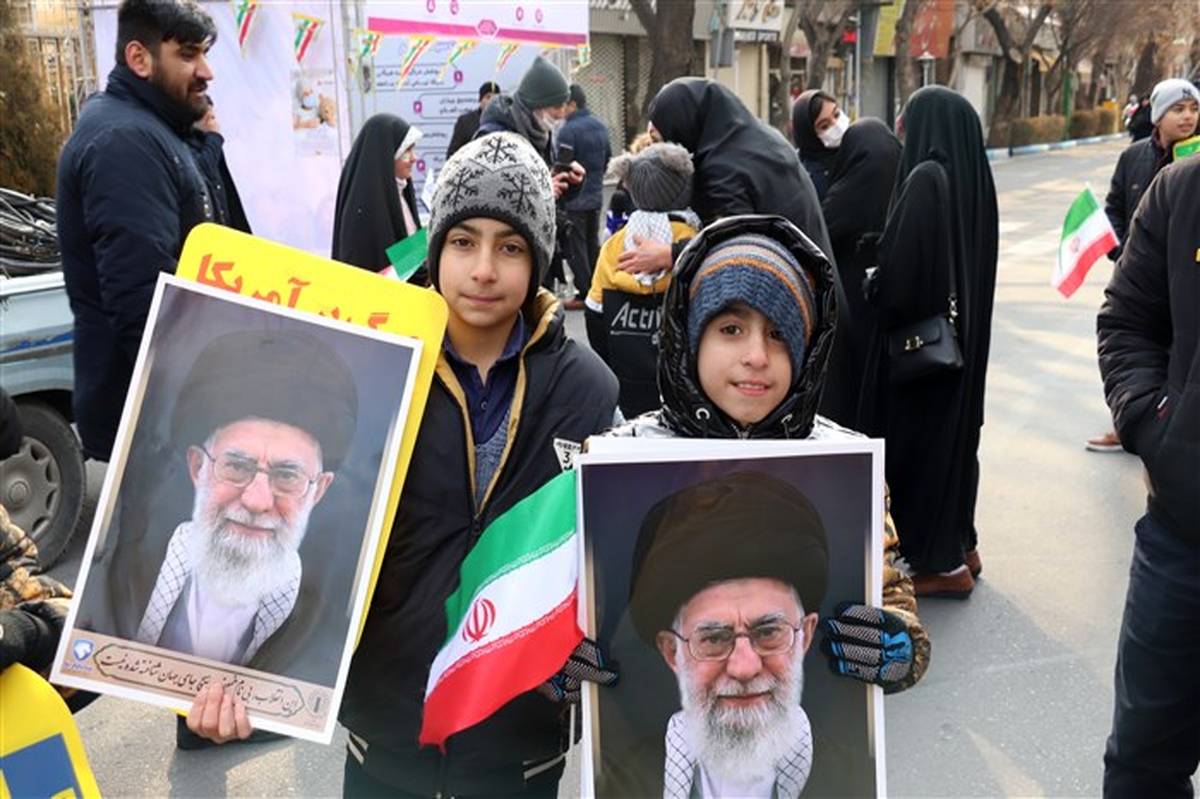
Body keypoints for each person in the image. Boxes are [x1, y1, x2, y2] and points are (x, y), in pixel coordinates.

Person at [188, 133, 621, 794]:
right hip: (387, 738)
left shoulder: (588, 391)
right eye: (463, 241)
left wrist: (580, 674)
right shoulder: (376, 369)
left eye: (510, 247)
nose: (483, 269)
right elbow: (313, 540)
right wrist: (242, 678)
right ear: (436, 246)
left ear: (539, 255)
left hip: (520, 748)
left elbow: (609, 564)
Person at [609, 214, 928, 690]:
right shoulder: (623, 458)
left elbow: (890, 591)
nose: (757, 356)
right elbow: (579, 609)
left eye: (779, 334)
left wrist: (900, 648)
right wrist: (562, 673)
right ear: (690, 338)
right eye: (731, 329)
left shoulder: (845, 465)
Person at [619, 77, 858, 428]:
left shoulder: (723, 167)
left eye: (661, 137)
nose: (660, 148)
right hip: (817, 293)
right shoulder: (757, 140)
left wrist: (670, 253)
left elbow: (733, 244)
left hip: (788, 308)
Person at [127, 330, 353, 667]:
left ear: (317, 490)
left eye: (287, 476)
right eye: (236, 466)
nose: (257, 502)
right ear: (198, 467)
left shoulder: (328, 624)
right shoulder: (127, 575)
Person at [56, 0, 219, 462]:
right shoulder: (125, 141)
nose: (206, 72)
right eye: (187, 54)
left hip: (164, 413)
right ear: (139, 58)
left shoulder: (149, 130)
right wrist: (212, 399)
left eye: (204, 54)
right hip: (157, 421)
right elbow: (144, 301)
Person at [859, 86, 998, 599]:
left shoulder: (924, 178)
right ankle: (962, 545)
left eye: (908, 118)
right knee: (955, 447)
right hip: (960, 349)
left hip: (921, 358)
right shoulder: (974, 180)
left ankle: (942, 565)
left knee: (920, 454)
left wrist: (874, 281)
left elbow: (904, 283)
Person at [1097, 155, 1200, 798]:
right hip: (1182, 541)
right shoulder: (1182, 191)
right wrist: (1154, 424)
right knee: (1142, 764)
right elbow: (1128, 321)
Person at [628, 473, 828, 799]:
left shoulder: (854, 770)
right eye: (713, 639)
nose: (744, 668)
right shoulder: (620, 780)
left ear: (805, 636)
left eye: (768, 632)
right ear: (671, 651)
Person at [1090, 78, 1199, 452]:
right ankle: (1127, 424)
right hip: (1141, 273)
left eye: (1194, 109)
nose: (1187, 117)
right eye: (1178, 109)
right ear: (1157, 116)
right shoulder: (1133, 157)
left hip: (1184, 277)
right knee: (1139, 348)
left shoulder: (1193, 160)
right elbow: (1114, 207)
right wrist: (1123, 251)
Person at [585, 142, 699, 416]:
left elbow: (594, 311)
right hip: (683, 381)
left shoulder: (616, 244)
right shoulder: (692, 242)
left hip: (628, 378)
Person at [476, 56, 586, 293]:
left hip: (539, 247)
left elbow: (544, 182)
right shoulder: (495, 137)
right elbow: (486, 195)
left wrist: (568, 180)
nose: (561, 114)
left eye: (564, 106)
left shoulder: (541, 133)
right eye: (556, 107)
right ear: (536, 105)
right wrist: (541, 190)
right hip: (506, 254)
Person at [820, 118, 901, 429]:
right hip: (887, 300)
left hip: (850, 300)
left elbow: (820, 232)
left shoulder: (848, 190)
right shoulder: (906, 183)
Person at [332, 113, 423, 272]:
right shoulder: (365, 207)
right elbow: (379, 266)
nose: (414, 158)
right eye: (406, 151)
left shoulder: (400, 190)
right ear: (387, 154)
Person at [557, 83, 612, 309]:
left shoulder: (568, 130)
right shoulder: (600, 126)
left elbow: (563, 164)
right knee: (592, 244)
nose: (561, 110)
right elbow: (607, 158)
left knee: (575, 247)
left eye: (564, 105)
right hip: (596, 195)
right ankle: (597, 289)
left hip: (575, 198)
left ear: (573, 104)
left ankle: (585, 292)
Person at [188, 96, 251, 233]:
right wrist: (214, 137)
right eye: (208, 117)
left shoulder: (208, 142)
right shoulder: (187, 143)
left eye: (213, 117)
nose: (213, 122)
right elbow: (201, 173)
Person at [791, 89, 847, 200]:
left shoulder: (855, 149)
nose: (837, 125)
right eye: (824, 126)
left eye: (836, 114)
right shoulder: (807, 179)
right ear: (810, 136)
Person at [447, 81, 500, 159]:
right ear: (480, 100)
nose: (492, 101)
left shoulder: (504, 122)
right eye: (488, 97)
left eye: (495, 98)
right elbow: (452, 154)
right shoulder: (465, 122)